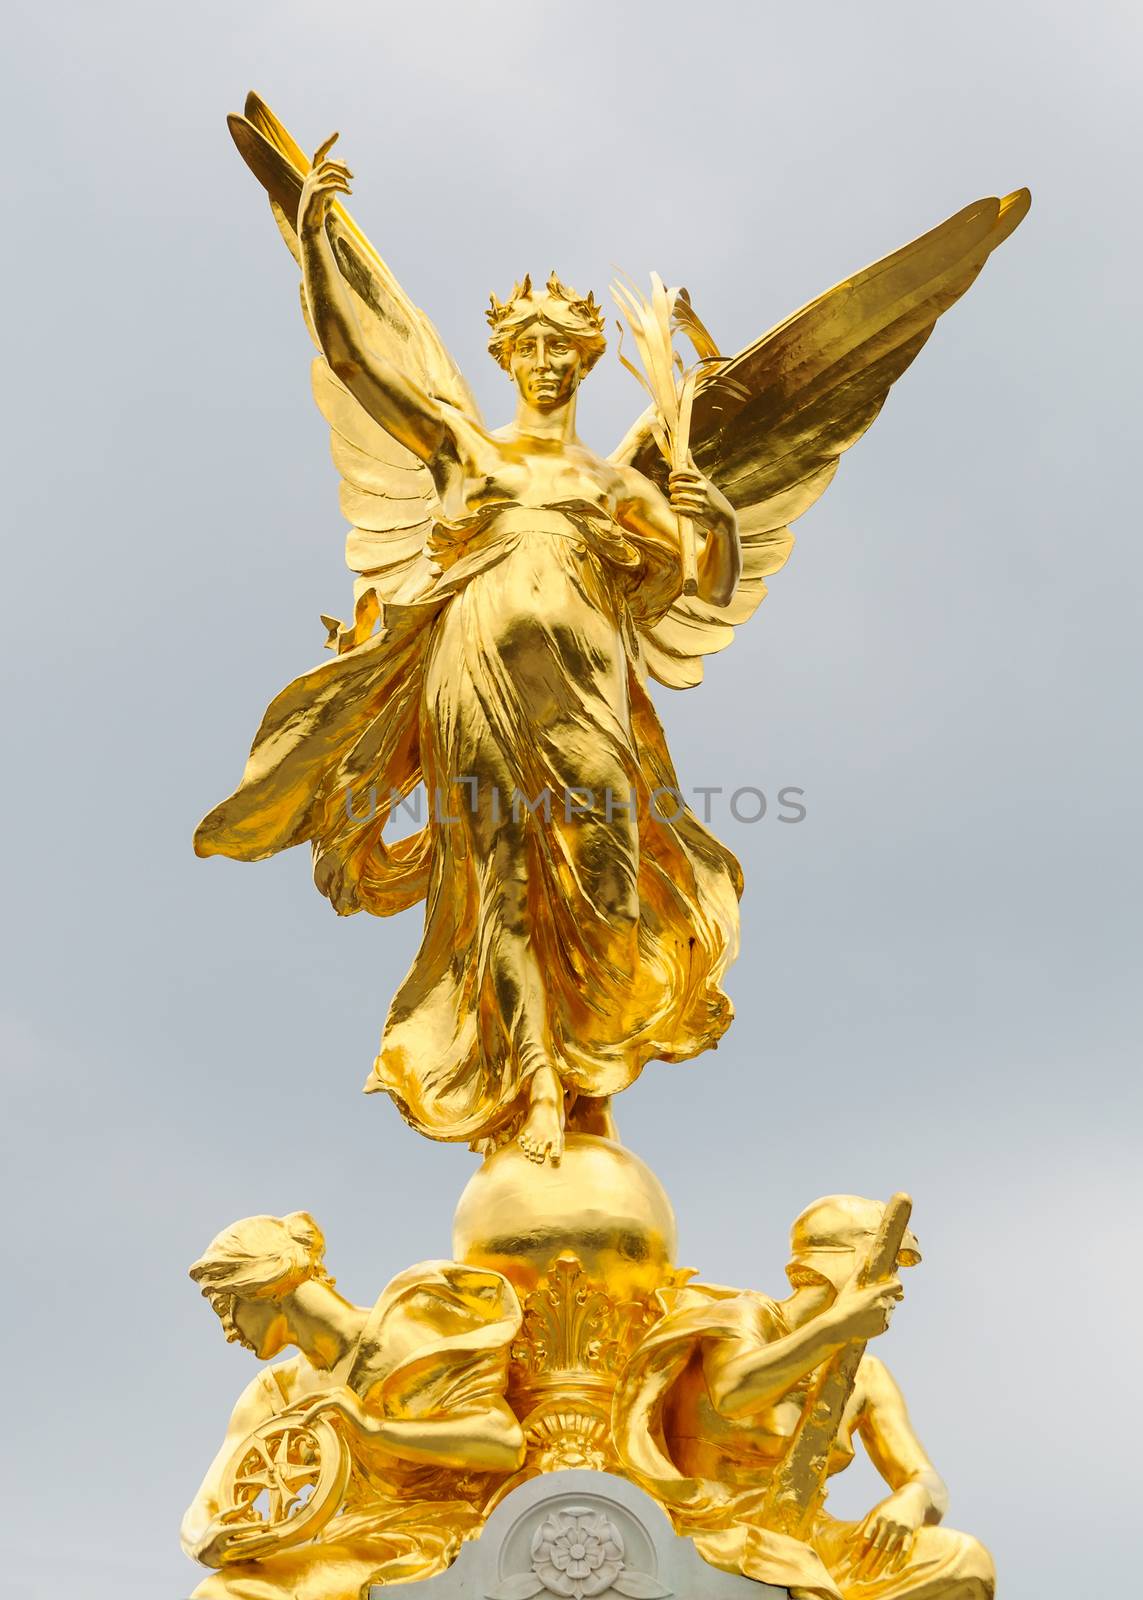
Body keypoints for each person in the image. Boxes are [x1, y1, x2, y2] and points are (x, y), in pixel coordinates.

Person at [195, 143, 744, 1166]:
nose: (542, 360)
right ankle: (537, 1082)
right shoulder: (468, 454)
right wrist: (314, 241)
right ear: (507, 359)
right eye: (526, 345)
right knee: (500, 886)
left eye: (559, 348)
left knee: (609, 882)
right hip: (473, 682)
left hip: (587, 697)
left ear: (583, 362)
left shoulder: (623, 488)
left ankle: (597, 1061)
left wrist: (718, 518)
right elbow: (363, 362)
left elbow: (699, 586)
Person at [613, 1196, 994, 1599]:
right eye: (889, 1265)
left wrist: (912, 1500)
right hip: (716, 1527)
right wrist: (836, 1327)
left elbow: (924, 1478)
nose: (897, 1288)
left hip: (810, 1536)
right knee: (800, 1574)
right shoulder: (748, 1317)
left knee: (966, 1562)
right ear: (849, 1262)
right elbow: (734, 1392)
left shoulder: (866, 1375)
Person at [181, 1212, 525, 1600]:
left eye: (226, 1306)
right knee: (220, 1589)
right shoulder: (273, 1393)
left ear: (264, 1286)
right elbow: (206, 1503)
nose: (228, 1330)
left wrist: (371, 1428)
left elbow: (503, 1441)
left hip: (426, 1539)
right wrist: (203, 1542)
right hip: (341, 1546)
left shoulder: (408, 1330)